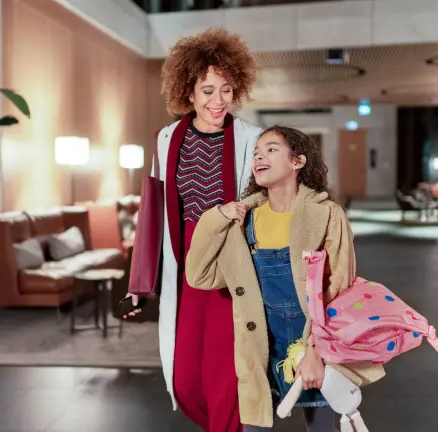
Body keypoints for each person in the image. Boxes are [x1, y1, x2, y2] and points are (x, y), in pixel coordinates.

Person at [184, 126, 386, 430]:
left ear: (298, 162)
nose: (259, 157)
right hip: (258, 348)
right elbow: (199, 276)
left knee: (320, 427)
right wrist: (216, 218)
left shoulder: (328, 215)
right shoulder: (243, 220)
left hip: (312, 343)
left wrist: (316, 352)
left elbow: (340, 291)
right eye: (256, 153)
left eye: (271, 149)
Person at [123, 28, 261, 432]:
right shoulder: (167, 139)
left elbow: (266, 199)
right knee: (184, 383)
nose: (217, 101)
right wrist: (139, 283)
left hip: (227, 275)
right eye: (207, 90)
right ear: (188, 92)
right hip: (184, 275)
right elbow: (152, 213)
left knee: (225, 383)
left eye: (225, 90)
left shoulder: (251, 139)